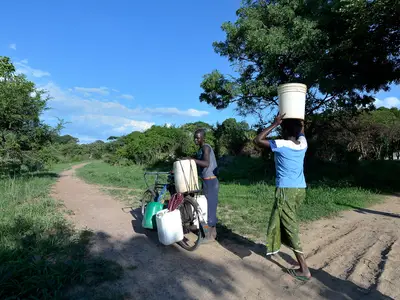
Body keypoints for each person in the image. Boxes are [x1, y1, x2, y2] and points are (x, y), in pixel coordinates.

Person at [253, 113, 311, 281]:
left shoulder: (282, 144)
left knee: (290, 226)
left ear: (284, 130)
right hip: (300, 190)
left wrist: (274, 123)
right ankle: (282, 245)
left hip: (286, 190)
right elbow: (302, 132)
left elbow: (257, 140)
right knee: (286, 221)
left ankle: (304, 269)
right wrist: (300, 121)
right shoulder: (303, 144)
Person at [184, 128, 219, 242]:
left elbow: (206, 163)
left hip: (211, 181)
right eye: (195, 137)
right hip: (206, 180)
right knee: (207, 206)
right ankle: (213, 234)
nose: (195, 139)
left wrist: (192, 160)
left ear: (203, 138)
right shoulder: (200, 149)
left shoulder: (206, 148)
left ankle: (209, 236)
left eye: (198, 137)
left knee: (210, 207)